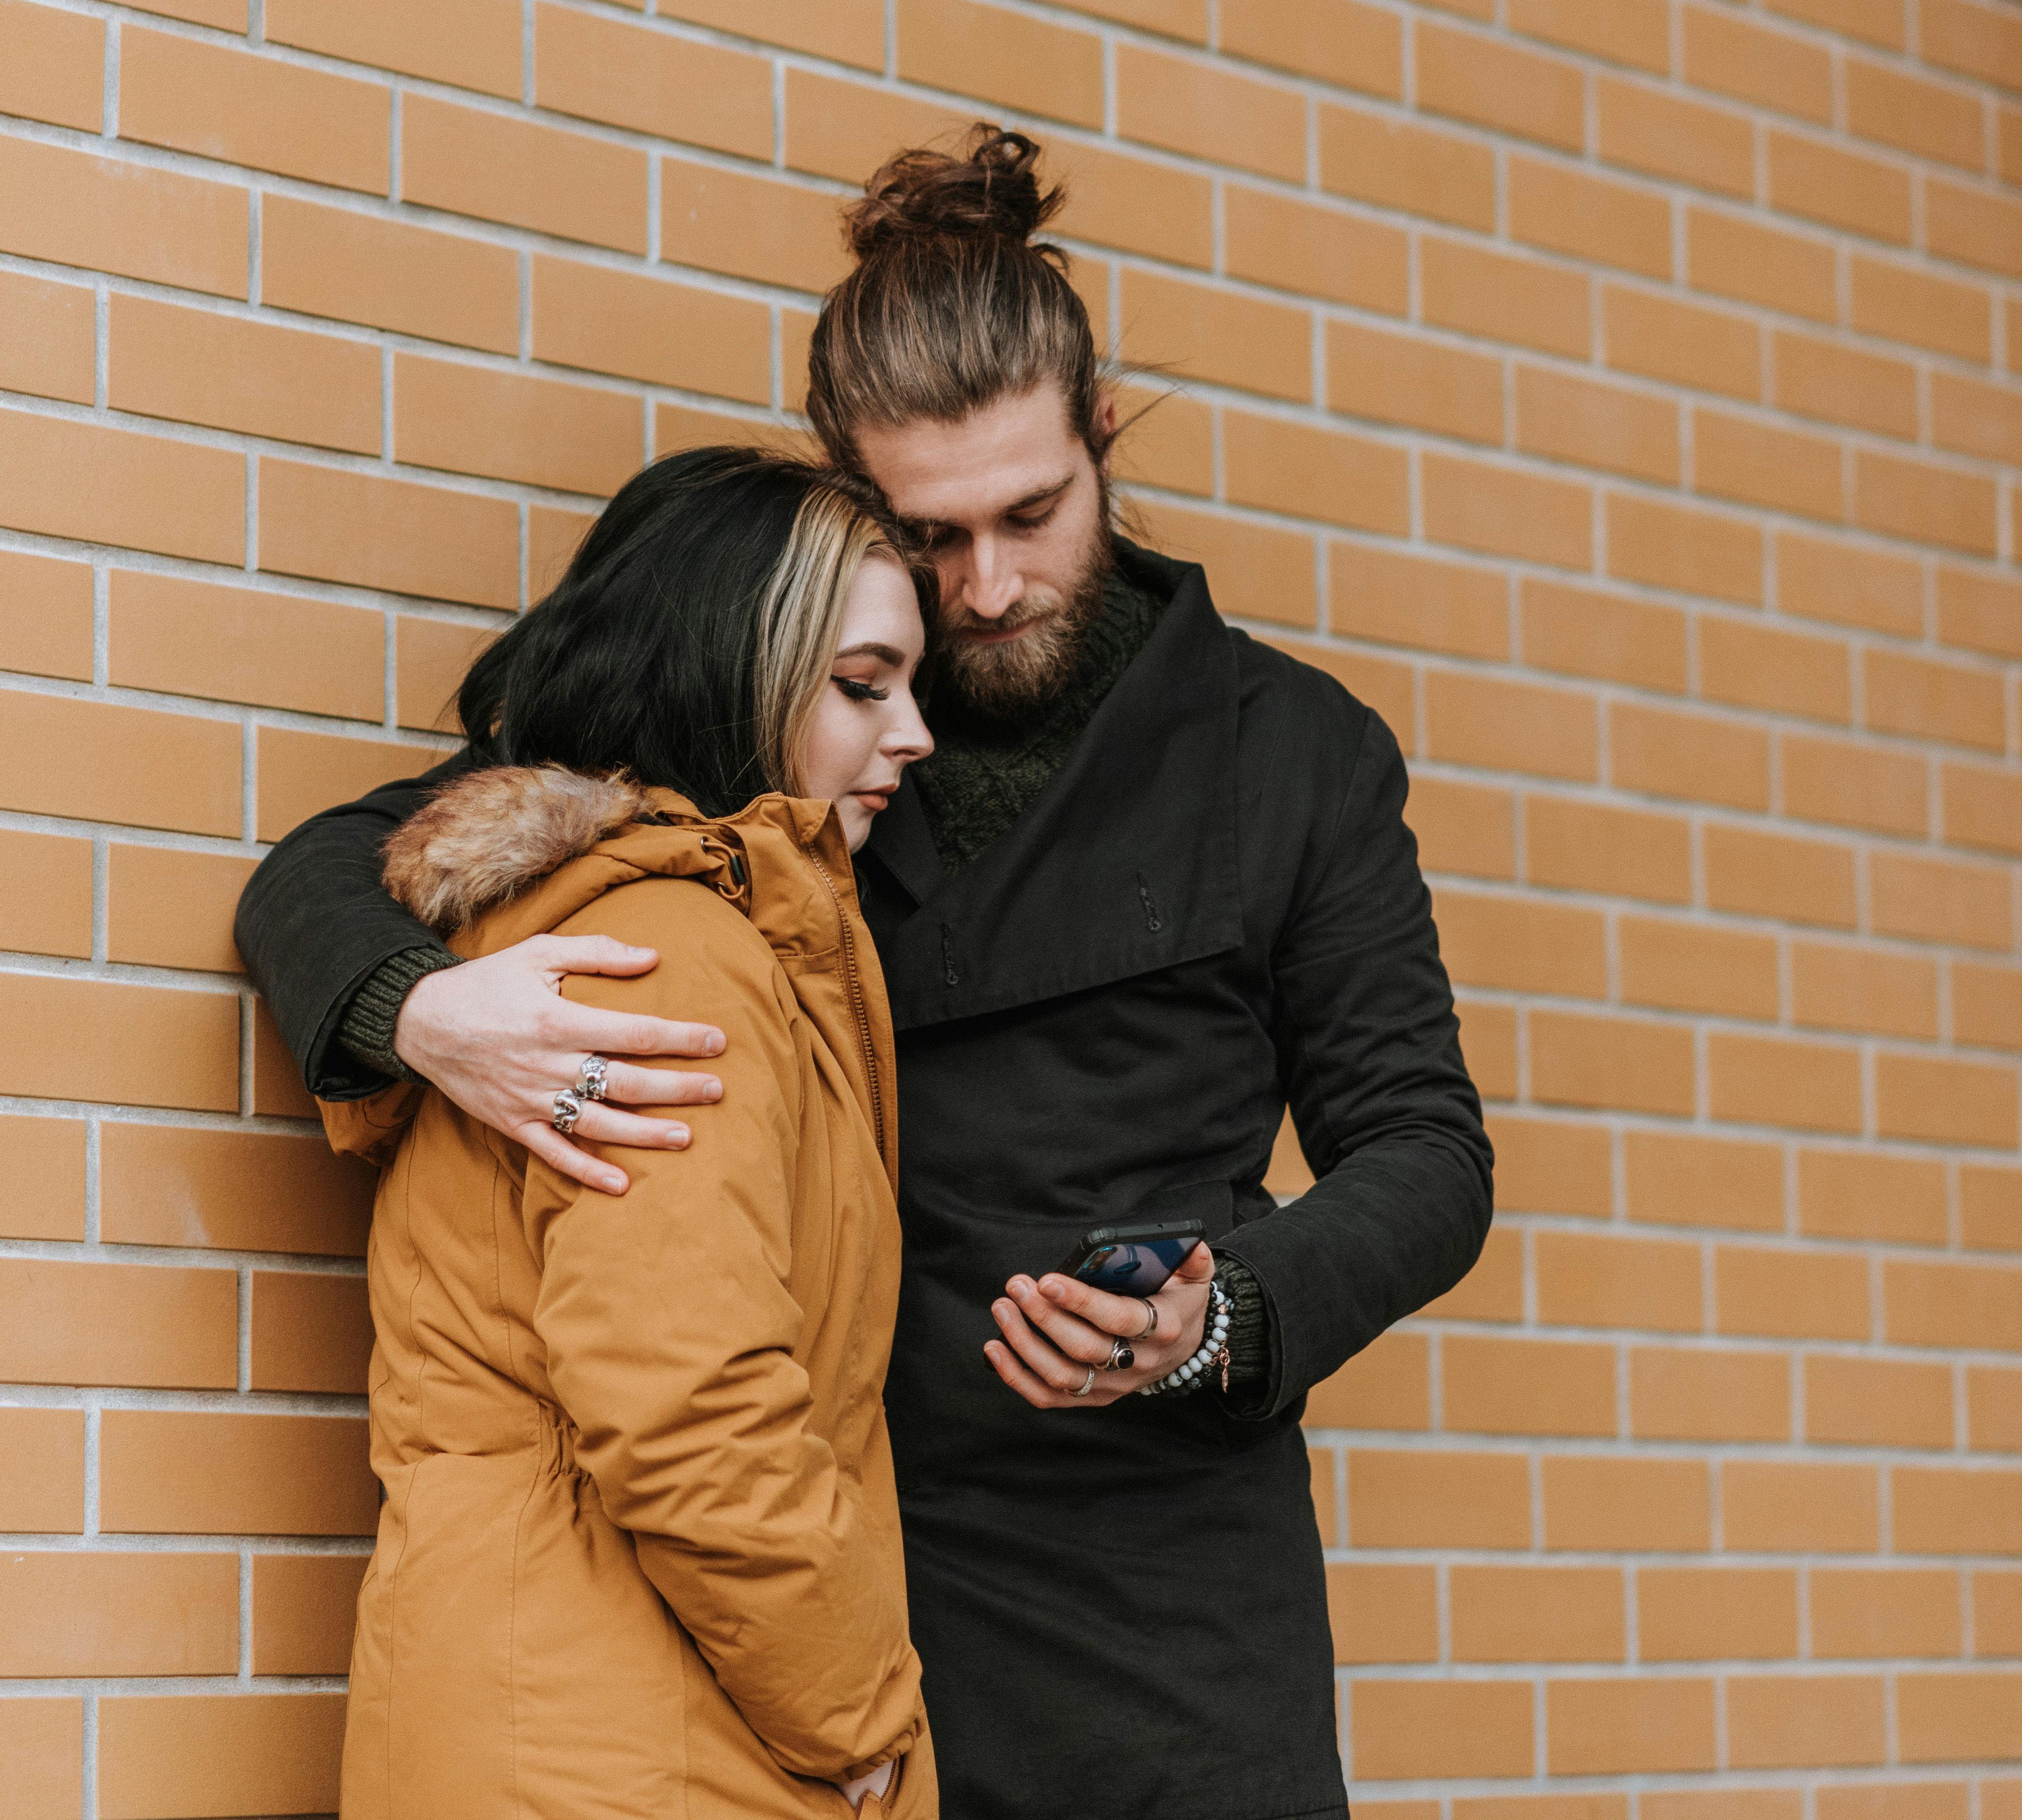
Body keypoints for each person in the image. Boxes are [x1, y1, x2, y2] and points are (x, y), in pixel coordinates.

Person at [240, 128, 1494, 1820]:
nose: (985, 587)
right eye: (930, 534)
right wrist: (424, 1012)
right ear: (848, 496)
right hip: (838, 1556)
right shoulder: (771, 717)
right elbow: (352, 855)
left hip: (1161, 1573)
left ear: (1103, 436)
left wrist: (1226, 1316)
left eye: (1032, 516)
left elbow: (1425, 1152)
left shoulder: (1292, 753)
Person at [320, 447, 939, 1819]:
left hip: (556, 1710)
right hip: (631, 1746)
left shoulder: (615, 929)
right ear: (733, 670)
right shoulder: (672, 955)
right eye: (861, 684)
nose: (913, 733)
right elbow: (688, 1403)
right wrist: (860, 1717)